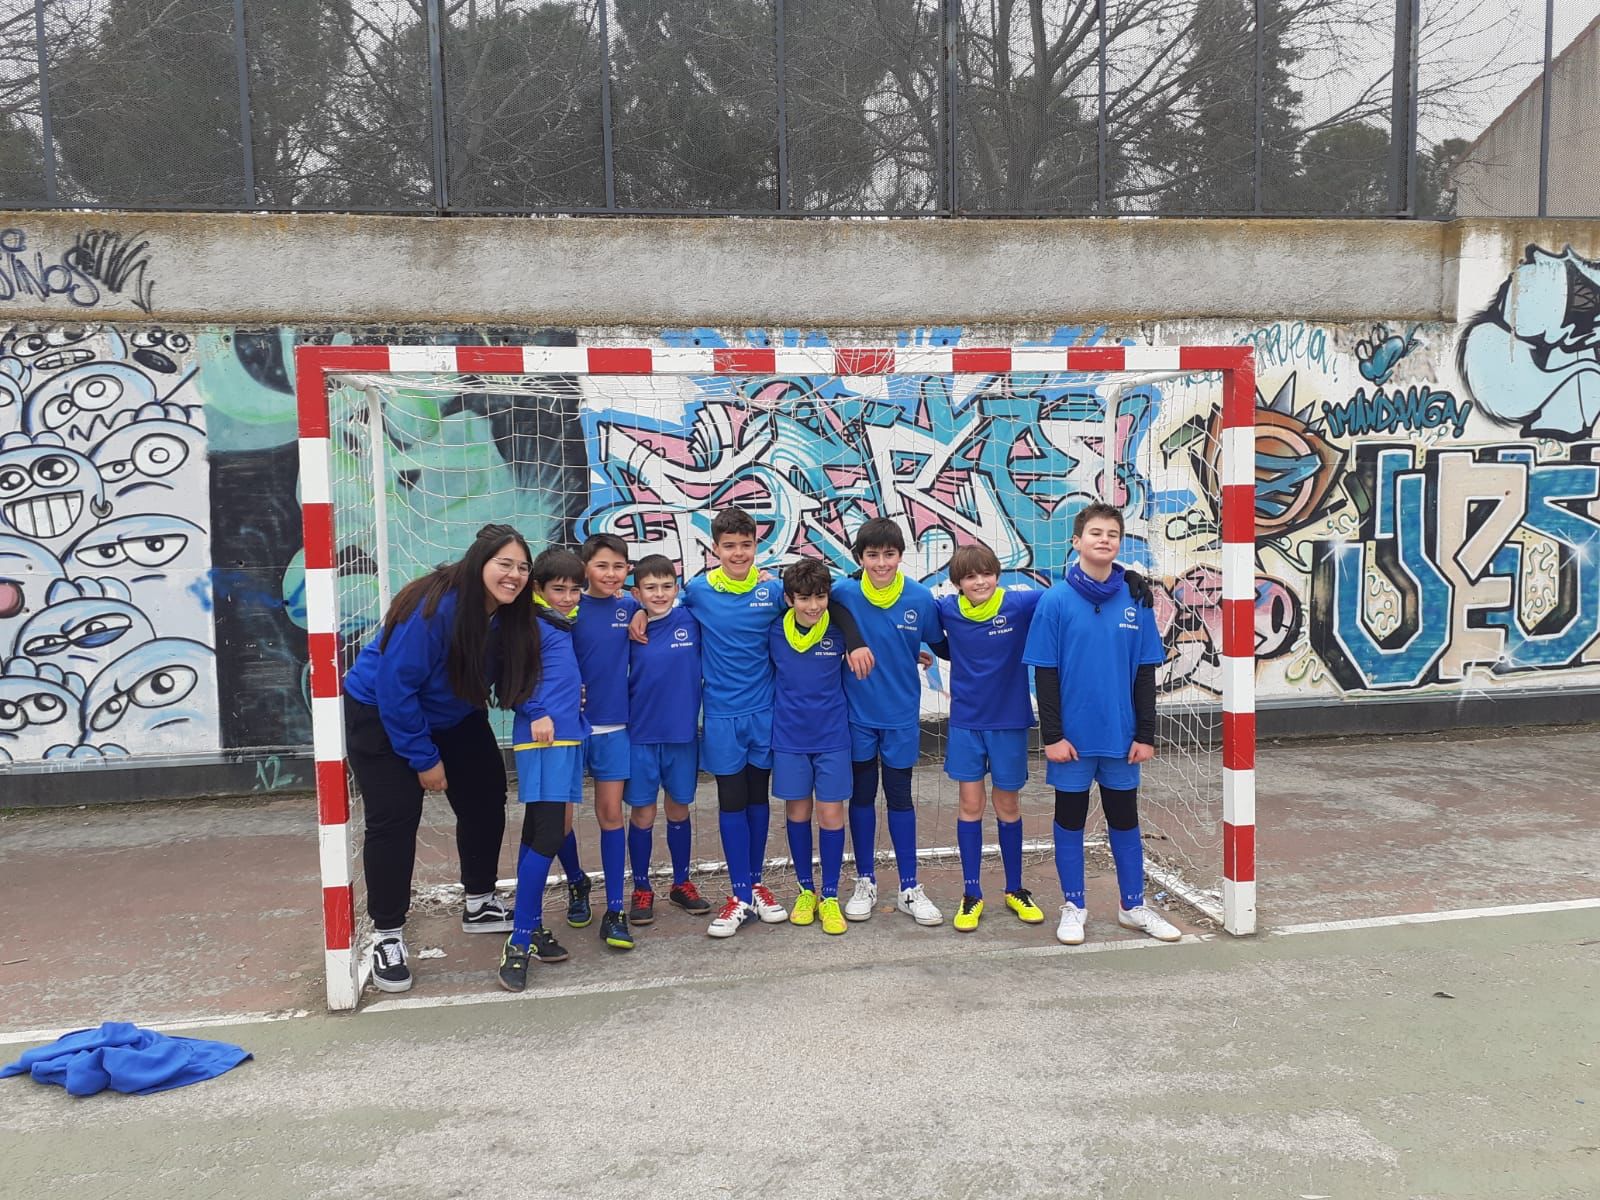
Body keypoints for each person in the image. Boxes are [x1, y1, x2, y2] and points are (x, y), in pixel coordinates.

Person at [632, 506, 871, 939]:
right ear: (715, 548)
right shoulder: (698, 591)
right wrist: (640, 614)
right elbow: (662, 605)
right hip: (722, 716)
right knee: (731, 802)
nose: (739, 553)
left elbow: (826, 603)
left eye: (746, 545)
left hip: (767, 714)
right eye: (729, 546)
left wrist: (854, 640)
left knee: (759, 801)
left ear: (756, 546)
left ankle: (757, 885)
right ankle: (739, 893)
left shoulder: (773, 590)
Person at [342, 523, 539, 994]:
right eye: (504, 564)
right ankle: (387, 933)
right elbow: (395, 688)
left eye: (522, 567)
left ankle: (479, 900)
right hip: (382, 712)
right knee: (395, 816)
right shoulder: (435, 608)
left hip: (452, 712)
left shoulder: (509, 613)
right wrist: (424, 759)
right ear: (479, 564)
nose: (514, 575)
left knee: (487, 793)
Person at [1022, 502, 1180, 946]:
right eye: (1095, 532)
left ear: (1120, 541)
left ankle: (1133, 906)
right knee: (1070, 818)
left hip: (1121, 735)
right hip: (1071, 739)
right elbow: (1045, 674)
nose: (1104, 539)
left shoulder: (1136, 597)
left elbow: (1145, 670)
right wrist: (1051, 736)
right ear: (1077, 541)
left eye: (1113, 533)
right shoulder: (1055, 600)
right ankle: (1074, 906)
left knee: (1124, 818)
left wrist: (1145, 734)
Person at [831, 517, 946, 926]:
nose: (881, 563)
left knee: (899, 797)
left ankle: (909, 887)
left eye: (889, 555)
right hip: (856, 716)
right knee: (862, 797)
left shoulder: (918, 597)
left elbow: (942, 641)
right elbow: (812, 605)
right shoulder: (842, 591)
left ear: (900, 556)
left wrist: (908, 650)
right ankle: (865, 880)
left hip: (899, 717)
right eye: (872, 555)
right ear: (860, 558)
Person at [934, 543, 1046, 933]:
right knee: (969, 804)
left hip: (1010, 722)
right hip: (967, 722)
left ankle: (1015, 888)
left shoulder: (1018, 605)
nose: (979, 581)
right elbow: (918, 624)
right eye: (969, 576)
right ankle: (971, 893)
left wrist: (1125, 579)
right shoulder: (947, 610)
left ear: (997, 574)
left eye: (986, 573)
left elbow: (1068, 594)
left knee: (1008, 805)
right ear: (958, 583)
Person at [499, 548, 594, 991]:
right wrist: (536, 709)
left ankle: (531, 926)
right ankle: (518, 942)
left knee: (539, 831)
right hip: (544, 739)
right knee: (550, 833)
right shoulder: (525, 622)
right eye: (559, 589)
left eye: (576, 589)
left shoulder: (558, 623)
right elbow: (508, 677)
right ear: (537, 587)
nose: (569, 597)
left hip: (568, 736)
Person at [624, 554, 711, 918]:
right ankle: (642, 888)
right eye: (650, 588)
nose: (659, 594)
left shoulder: (690, 619)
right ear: (637, 591)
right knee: (642, 814)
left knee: (678, 808)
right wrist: (633, 609)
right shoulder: (627, 625)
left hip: (682, 735)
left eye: (666, 586)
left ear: (677, 588)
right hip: (640, 736)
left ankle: (681, 883)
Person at [769, 559, 852, 936]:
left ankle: (830, 895)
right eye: (804, 598)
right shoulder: (773, 632)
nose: (813, 605)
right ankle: (806, 890)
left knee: (830, 815)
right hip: (789, 738)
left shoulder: (839, 631)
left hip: (832, 738)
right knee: (798, 813)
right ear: (789, 599)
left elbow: (876, 640)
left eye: (820, 597)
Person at [572, 532, 643, 950]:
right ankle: (578, 883)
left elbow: (670, 601)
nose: (610, 574)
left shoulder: (632, 607)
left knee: (611, 813)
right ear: (586, 569)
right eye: (602, 566)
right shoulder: (565, 606)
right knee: (559, 821)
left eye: (618, 566)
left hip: (615, 728)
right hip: (568, 729)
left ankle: (615, 909)